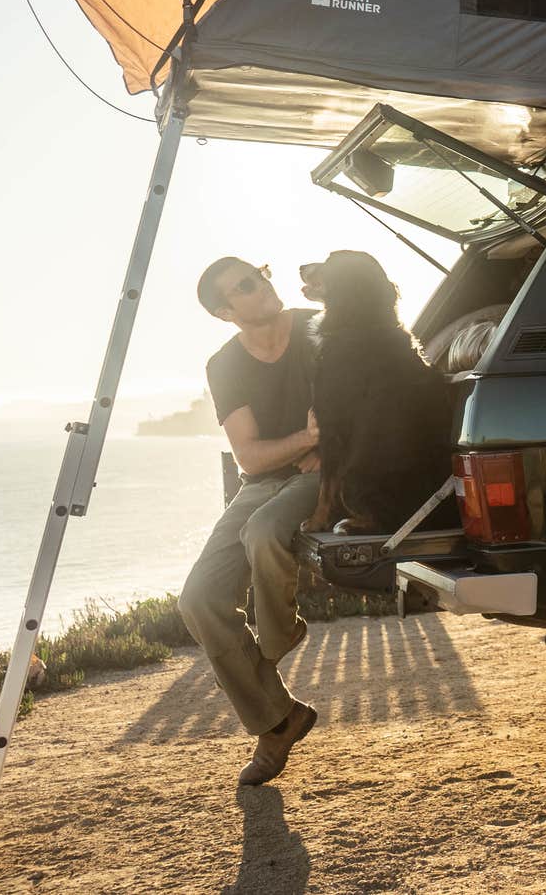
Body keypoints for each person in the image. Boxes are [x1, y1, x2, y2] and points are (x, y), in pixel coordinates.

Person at [177, 256, 322, 786]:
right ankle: (280, 718)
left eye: (258, 274)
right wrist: (309, 439)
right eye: (243, 287)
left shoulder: (319, 327)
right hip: (263, 483)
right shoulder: (225, 364)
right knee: (198, 598)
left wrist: (332, 448)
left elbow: (366, 405)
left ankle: (275, 643)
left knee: (262, 531)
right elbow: (251, 458)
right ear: (224, 312)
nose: (261, 285)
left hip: (325, 476)